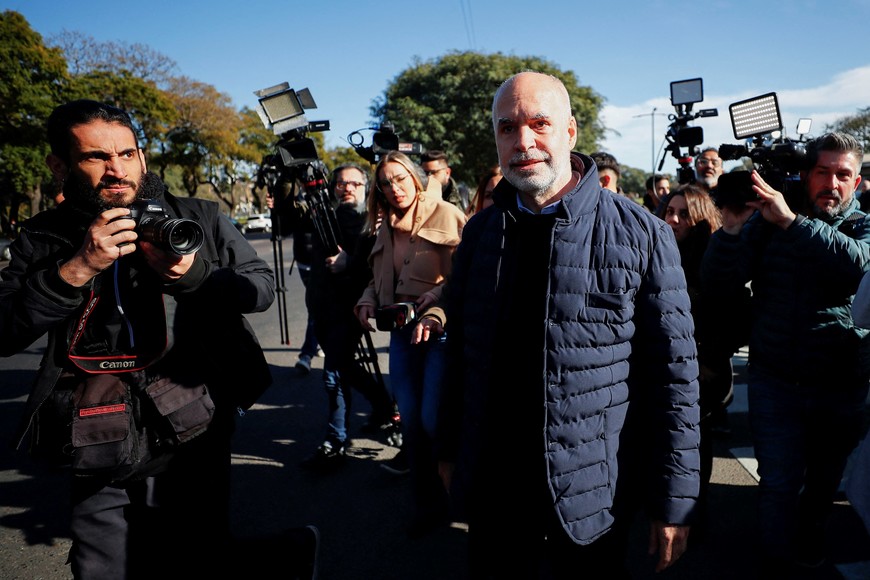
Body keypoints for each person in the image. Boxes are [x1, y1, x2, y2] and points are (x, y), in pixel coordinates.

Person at [0, 100, 318, 579]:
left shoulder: (199, 218)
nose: (116, 170)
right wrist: (77, 269)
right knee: (99, 564)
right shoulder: (42, 237)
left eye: (127, 154)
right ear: (59, 166)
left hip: (192, 411)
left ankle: (290, 554)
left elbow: (261, 288)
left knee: (196, 550)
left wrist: (193, 274)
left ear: (143, 158)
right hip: (94, 420)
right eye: (96, 157)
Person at [426, 71, 701, 578]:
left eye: (539, 123)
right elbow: (462, 352)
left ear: (570, 132)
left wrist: (675, 500)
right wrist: (446, 449)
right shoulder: (481, 232)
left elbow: (675, 378)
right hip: (496, 488)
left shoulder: (642, 234)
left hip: (594, 495)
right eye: (507, 128)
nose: (523, 141)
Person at [701, 132, 869, 574]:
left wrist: (792, 222)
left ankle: (810, 532)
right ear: (806, 174)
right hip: (776, 378)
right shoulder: (769, 219)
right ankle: (776, 563)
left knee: (824, 482)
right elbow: (722, 281)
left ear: (856, 182)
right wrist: (733, 230)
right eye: (822, 172)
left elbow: (855, 266)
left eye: (842, 174)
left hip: (841, 382)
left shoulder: (862, 226)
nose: (831, 182)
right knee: (778, 483)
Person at [354, 150, 466, 537]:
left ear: (415, 178)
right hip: (401, 336)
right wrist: (368, 298)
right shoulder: (382, 225)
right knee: (413, 424)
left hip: (439, 333)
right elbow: (378, 276)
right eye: (385, 182)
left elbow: (465, 277)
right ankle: (427, 504)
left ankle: (460, 491)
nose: (393, 188)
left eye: (399, 179)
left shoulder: (447, 214)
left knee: (435, 420)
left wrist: (437, 303)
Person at [300, 163, 398, 470]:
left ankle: (336, 439)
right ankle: (382, 405)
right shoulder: (321, 216)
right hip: (321, 305)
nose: (348, 189)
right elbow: (289, 221)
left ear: (366, 188)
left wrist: (349, 262)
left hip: (354, 306)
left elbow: (379, 268)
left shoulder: (373, 222)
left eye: (355, 184)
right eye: (342, 184)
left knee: (334, 372)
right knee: (342, 367)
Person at [656, 184, 739, 533]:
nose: (673, 219)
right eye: (669, 211)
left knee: (692, 444)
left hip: (701, 372)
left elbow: (733, 317)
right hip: (663, 367)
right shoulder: (659, 252)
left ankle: (692, 517)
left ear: (701, 217)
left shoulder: (714, 259)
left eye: (683, 213)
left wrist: (708, 361)